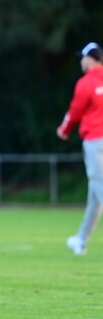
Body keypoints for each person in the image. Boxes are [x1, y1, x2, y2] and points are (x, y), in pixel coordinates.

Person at [56, 42, 103, 256]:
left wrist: (64, 130)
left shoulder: (86, 83)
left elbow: (74, 110)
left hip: (95, 141)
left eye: (82, 58)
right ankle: (81, 240)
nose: (81, 62)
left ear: (89, 58)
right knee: (94, 196)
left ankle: (81, 239)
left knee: (99, 185)